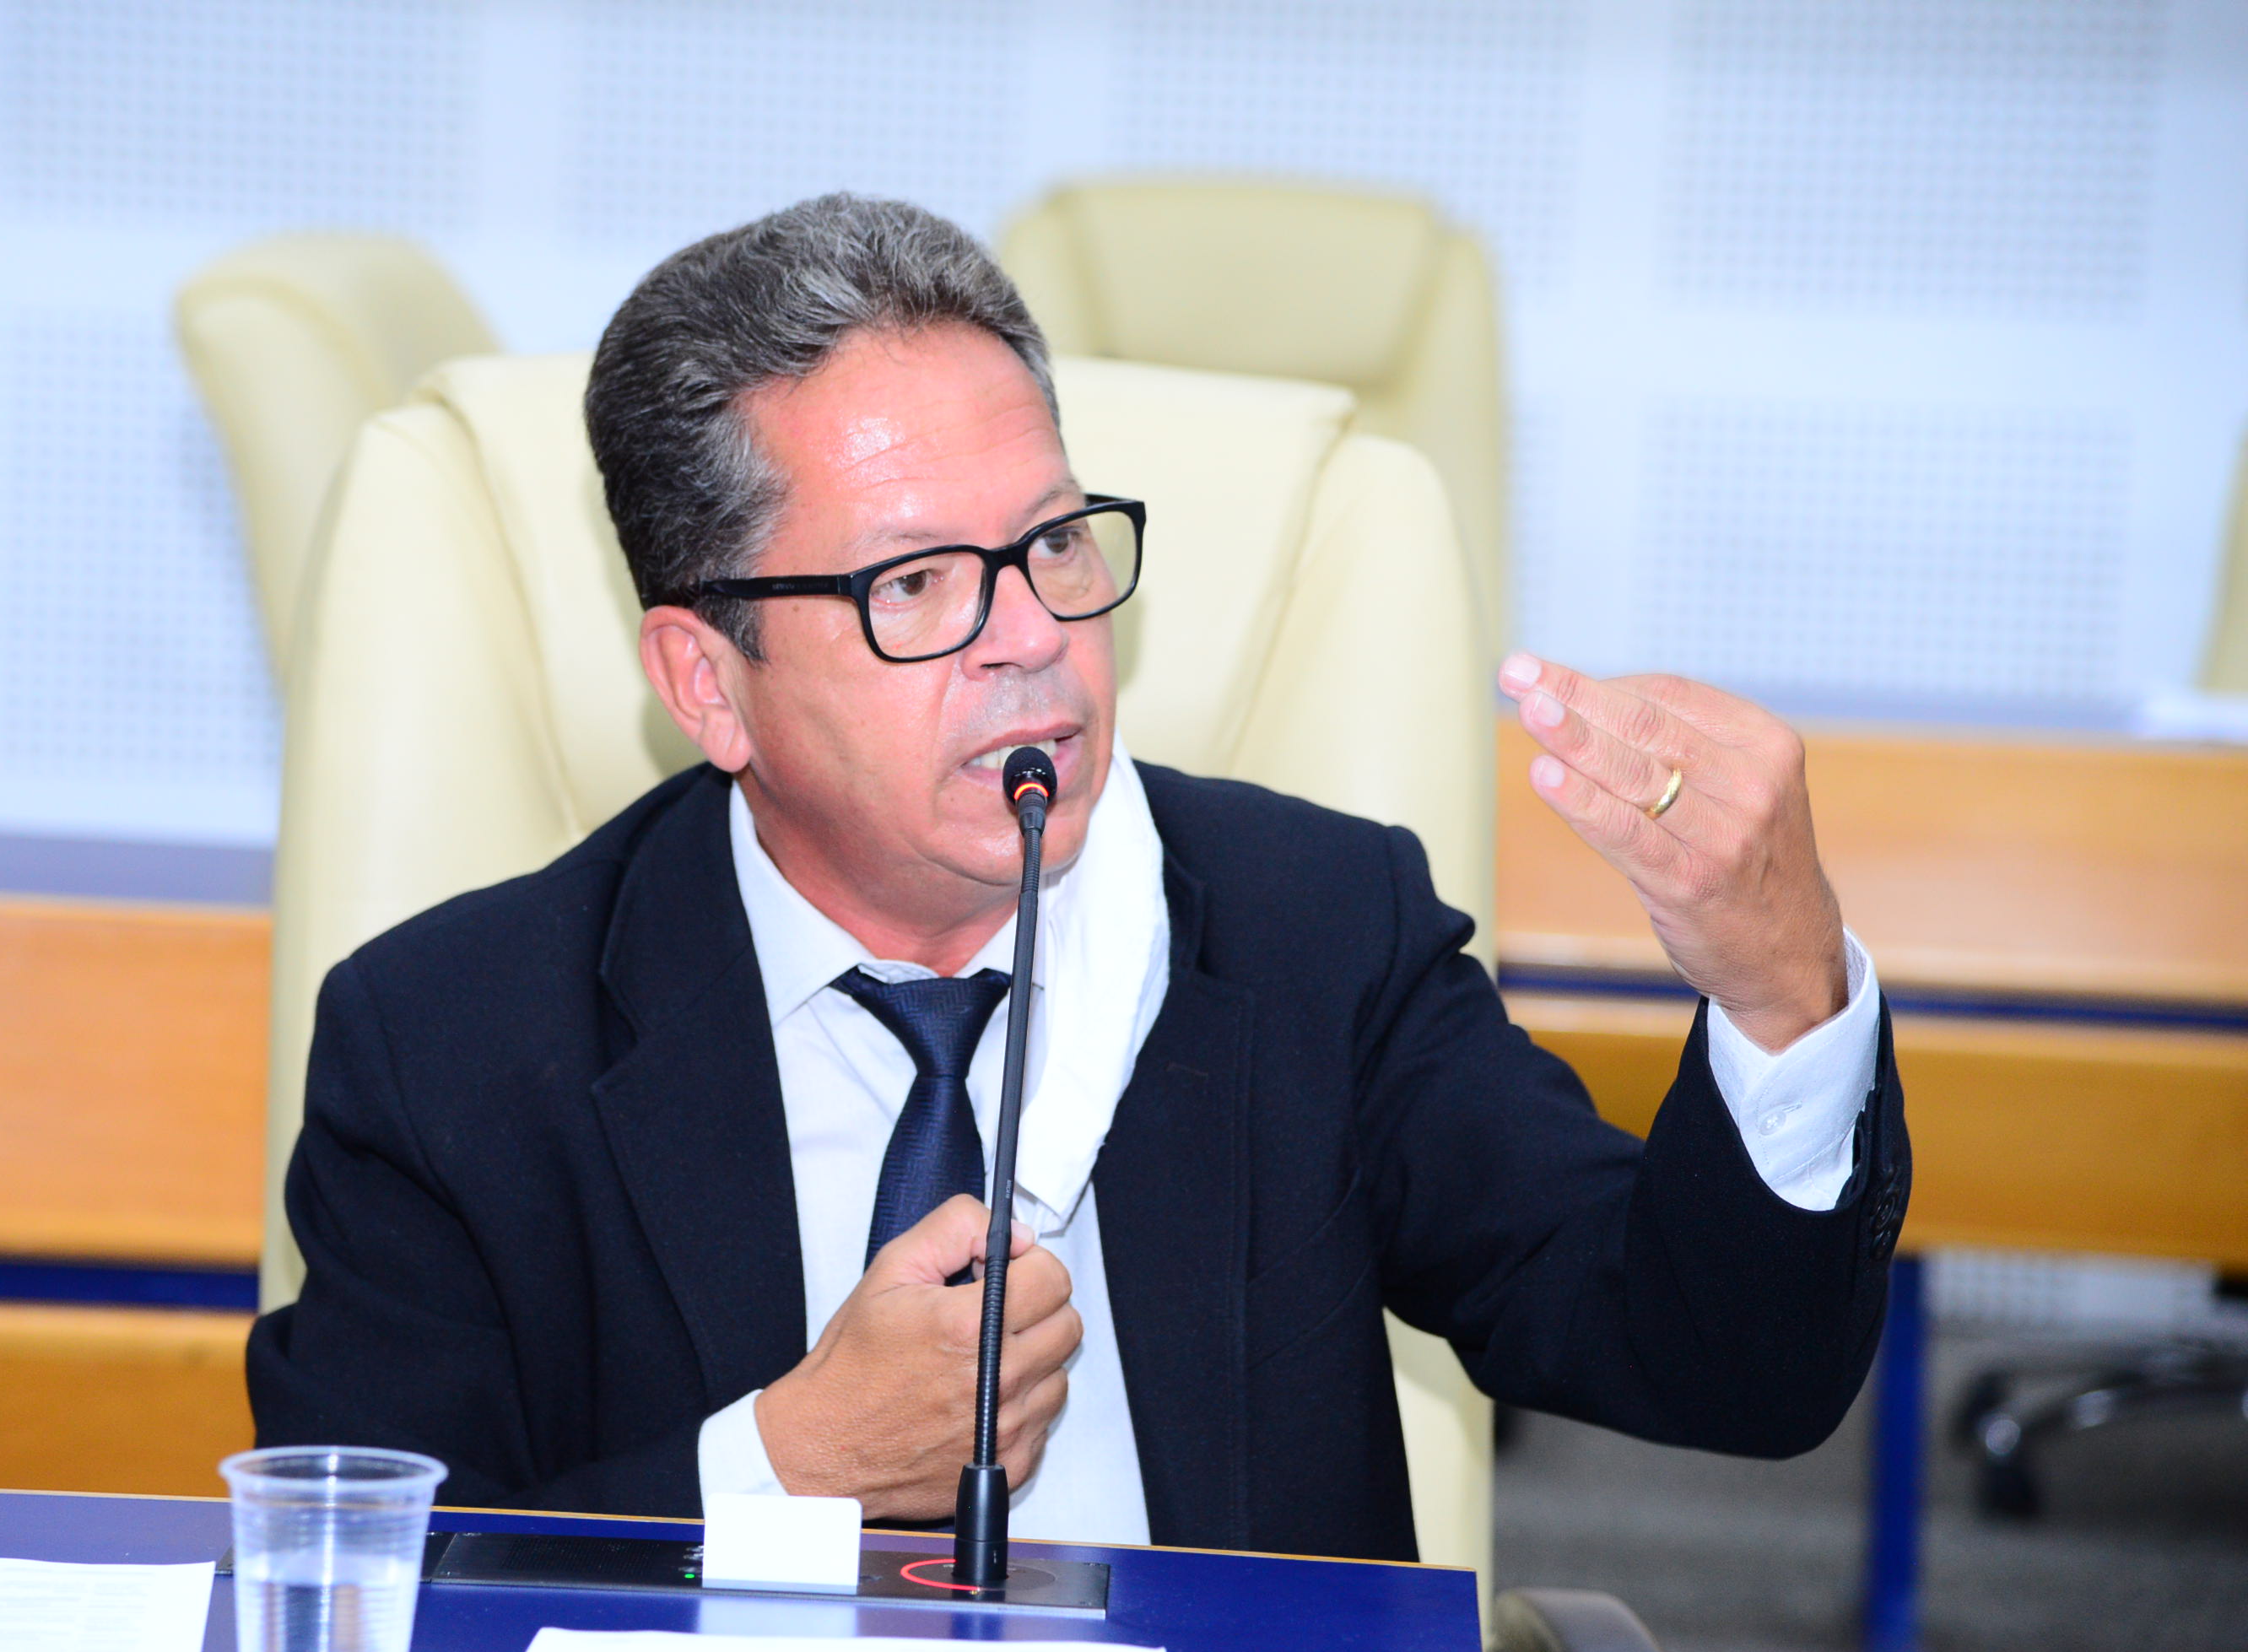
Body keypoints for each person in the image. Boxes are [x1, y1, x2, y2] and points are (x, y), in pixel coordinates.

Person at [246, 194, 1907, 1562]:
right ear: (708, 683)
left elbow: (1714, 1361)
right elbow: (366, 1569)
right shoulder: (453, 1042)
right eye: (915, 583)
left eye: (1051, 541)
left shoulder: (1310, 934)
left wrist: (1780, 990)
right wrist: (784, 1465)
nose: (1034, 634)